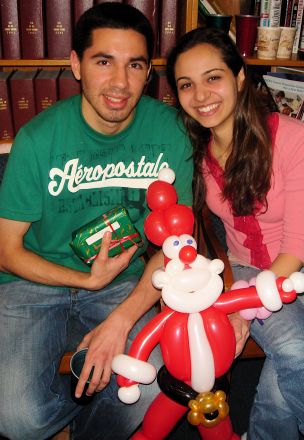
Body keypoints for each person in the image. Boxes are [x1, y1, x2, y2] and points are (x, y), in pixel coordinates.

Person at [0, 3, 193, 440]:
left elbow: (177, 244)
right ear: (76, 65)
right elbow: (6, 250)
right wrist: (83, 280)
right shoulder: (37, 139)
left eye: (135, 65)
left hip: (124, 283)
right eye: (104, 62)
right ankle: (76, 410)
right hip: (33, 282)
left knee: (147, 383)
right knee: (16, 418)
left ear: (148, 73)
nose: (120, 84)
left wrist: (123, 319)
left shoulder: (170, 132)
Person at [166, 27, 304, 440]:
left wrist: (241, 308)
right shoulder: (195, 154)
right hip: (241, 267)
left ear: (239, 77)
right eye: (187, 84)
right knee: (292, 356)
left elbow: (295, 245)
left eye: (213, 77)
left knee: (286, 367)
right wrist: (234, 296)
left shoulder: (295, 138)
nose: (201, 95)